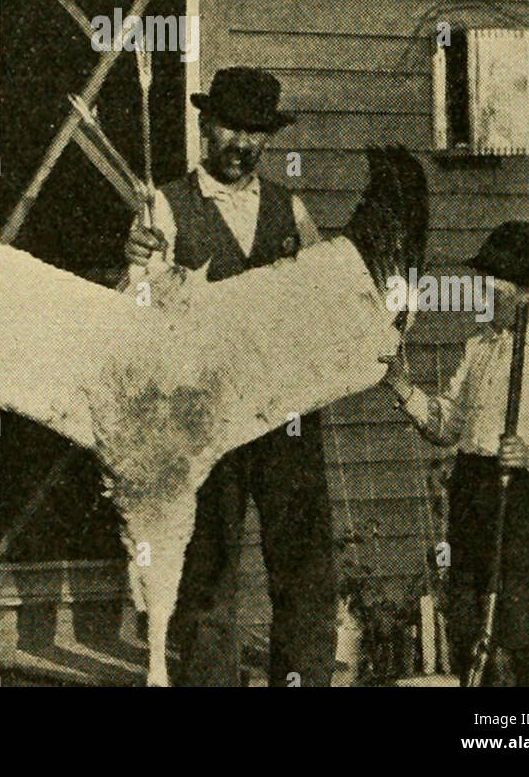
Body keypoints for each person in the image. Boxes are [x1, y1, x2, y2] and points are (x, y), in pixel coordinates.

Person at [124, 66, 335, 687]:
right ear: (205, 126)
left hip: (285, 413)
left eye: (256, 132)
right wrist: (135, 265)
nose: (243, 143)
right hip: (204, 419)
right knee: (208, 568)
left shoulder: (292, 210)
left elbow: (323, 302)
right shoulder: (164, 205)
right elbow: (135, 316)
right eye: (231, 128)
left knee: (301, 565)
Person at [384, 221, 529, 686]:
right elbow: (450, 426)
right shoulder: (478, 349)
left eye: (495, 287)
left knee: (522, 628)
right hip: (472, 491)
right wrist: (404, 391)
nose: (483, 296)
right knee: (466, 620)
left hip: (518, 500)